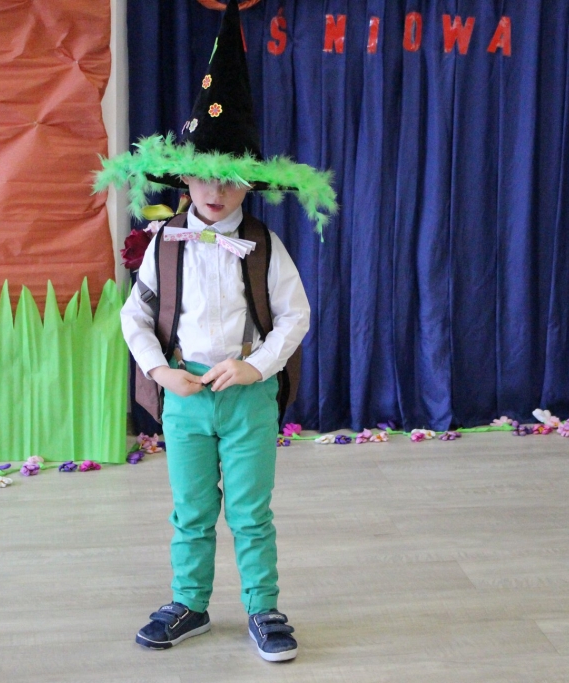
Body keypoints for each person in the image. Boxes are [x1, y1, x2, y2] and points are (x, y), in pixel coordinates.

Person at [94, 0, 336, 663]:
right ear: (184, 175)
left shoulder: (263, 245)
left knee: (251, 511)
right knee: (192, 509)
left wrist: (257, 366)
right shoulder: (164, 243)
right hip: (186, 398)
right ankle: (190, 603)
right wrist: (159, 370)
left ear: (248, 184)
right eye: (205, 173)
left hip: (246, 398)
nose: (217, 189)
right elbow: (134, 314)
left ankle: (264, 607)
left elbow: (296, 315)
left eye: (231, 178)